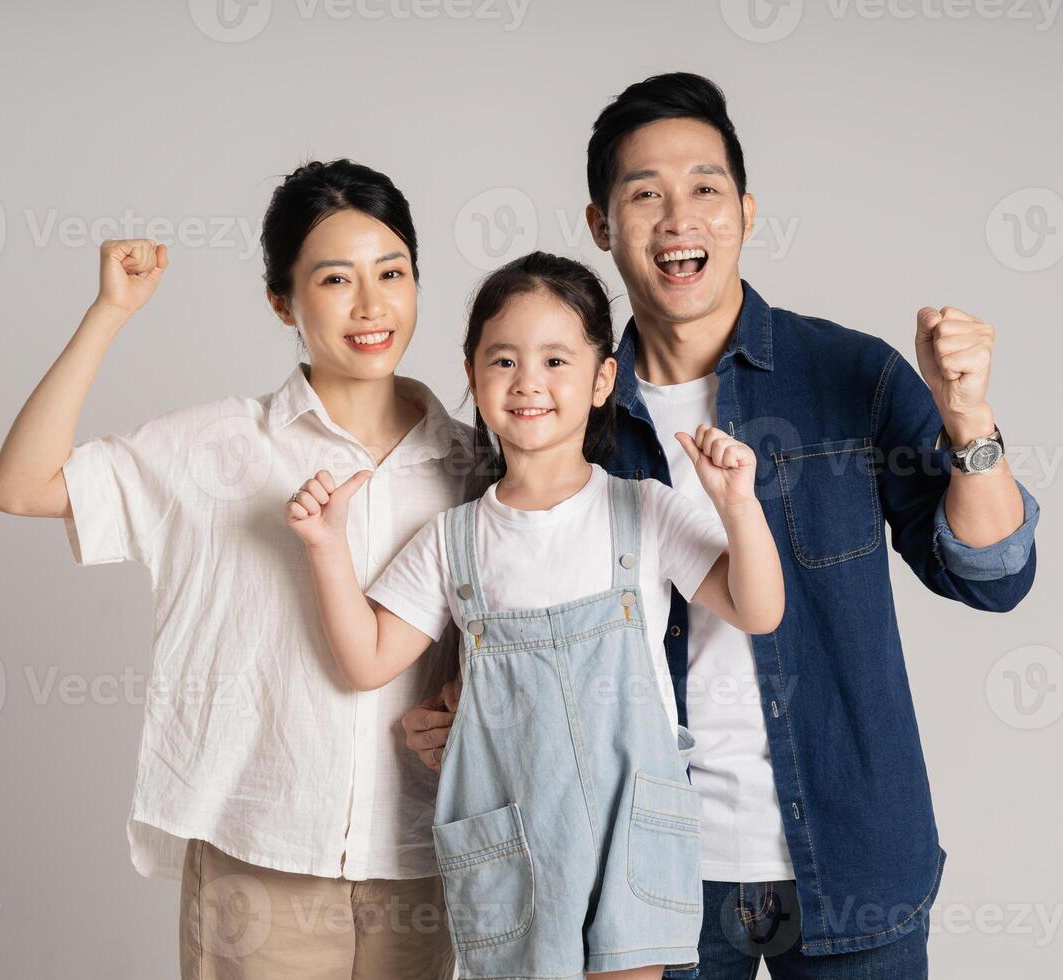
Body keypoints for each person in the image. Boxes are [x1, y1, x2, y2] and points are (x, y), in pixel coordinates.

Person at [403, 73, 1043, 979]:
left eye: (704, 189)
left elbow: (991, 576)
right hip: (649, 876)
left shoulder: (848, 374)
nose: (678, 219)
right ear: (600, 225)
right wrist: (447, 713)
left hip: (852, 853)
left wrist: (970, 420)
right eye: (644, 195)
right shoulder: (560, 405)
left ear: (744, 210)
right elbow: (484, 584)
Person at [0, 159, 479, 979]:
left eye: (393, 273)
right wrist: (110, 313)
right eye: (334, 279)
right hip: (260, 857)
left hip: (421, 862)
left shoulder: (472, 464)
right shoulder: (218, 448)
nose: (372, 305)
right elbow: (20, 485)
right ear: (282, 300)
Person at [284, 251, 786, 980]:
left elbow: (758, 607)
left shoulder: (641, 510)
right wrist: (325, 545)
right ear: (472, 373)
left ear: (602, 378)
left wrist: (738, 504)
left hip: (630, 835)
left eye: (556, 360)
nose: (529, 384)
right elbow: (366, 660)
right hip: (514, 841)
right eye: (504, 361)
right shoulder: (454, 541)